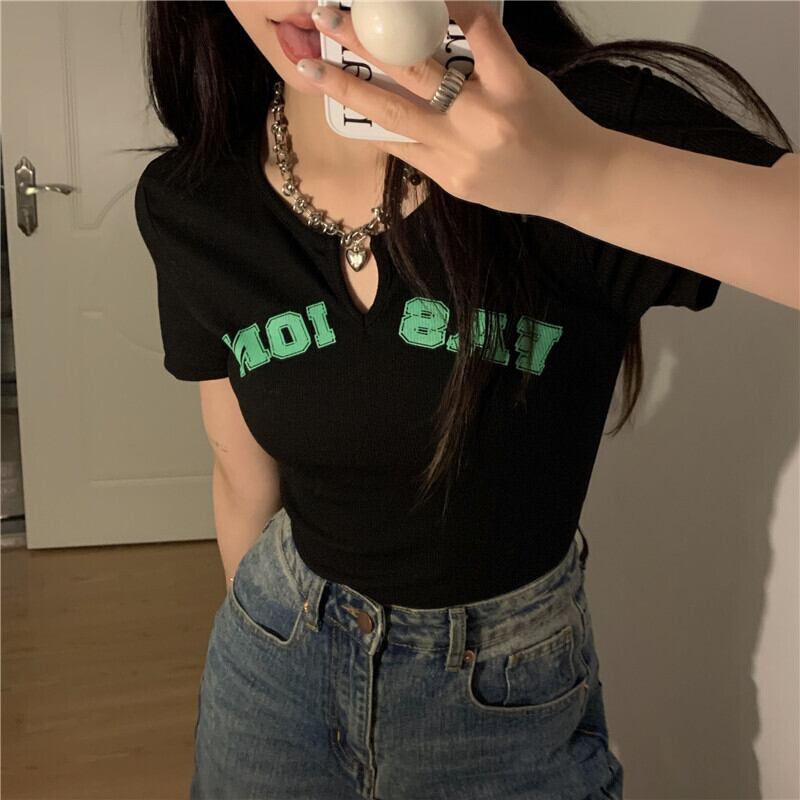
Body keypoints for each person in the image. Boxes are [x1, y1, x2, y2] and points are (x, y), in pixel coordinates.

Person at [133, 3, 795, 798]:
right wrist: (263, 637)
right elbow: (241, 475)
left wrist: (574, 175)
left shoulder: (579, 122)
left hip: (503, 698)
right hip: (273, 665)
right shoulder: (193, 200)